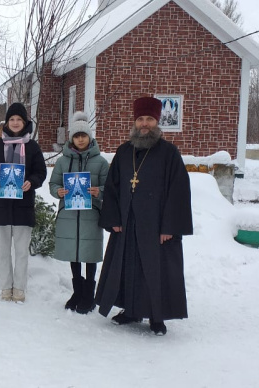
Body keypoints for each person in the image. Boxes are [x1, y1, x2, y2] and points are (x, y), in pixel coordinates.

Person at [95, 96, 193, 336]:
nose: (145, 124)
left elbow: (178, 191)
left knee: (155, 269)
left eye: (149, 119)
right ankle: (130, 311)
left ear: (157, 121)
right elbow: (113, 187)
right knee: (127, 267)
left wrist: (169, 227)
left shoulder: (169, 153)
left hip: (156, 226)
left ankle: (156, 317)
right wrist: (114, 219)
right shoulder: (123, 151)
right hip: (127, 223)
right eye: (141, 119)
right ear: (135, 122)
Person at [0, 102, 47, 303]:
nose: (16, 123)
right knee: (2, 252)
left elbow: (40, 172)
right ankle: (5, 288)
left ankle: (19, 288)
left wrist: (31, 182)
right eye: (12, 119)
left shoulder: (32, 146)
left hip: (23, 206)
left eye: (19, 119)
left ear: (25, 122)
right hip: (0, 205)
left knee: (21, 252)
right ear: (7, 122)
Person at [48, 111, 108, 314]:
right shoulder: (63, 161)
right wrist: (58, 191)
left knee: (89, 253)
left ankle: (89, 294)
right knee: (74, 252)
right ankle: (77, 291)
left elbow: (111, 187)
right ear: (72, 138)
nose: (80, 139)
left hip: (91, 214)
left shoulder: (100, 162)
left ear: (89, 137)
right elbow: (53, 183)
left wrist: (99, 191)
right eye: (76, 136)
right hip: (69, 214)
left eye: (83, 135)